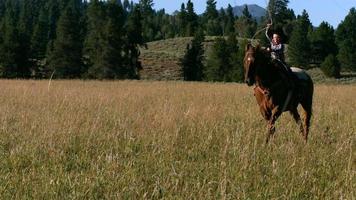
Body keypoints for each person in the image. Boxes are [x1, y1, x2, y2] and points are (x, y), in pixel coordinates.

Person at [265, 23, 295, 91]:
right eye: (274, 37)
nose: (276, 39)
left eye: (277, 37)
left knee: (287, 71)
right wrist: (268, 28)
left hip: (280, 62)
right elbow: (267, 34)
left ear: (280, 38)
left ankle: (290, 84)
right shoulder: (271, 43)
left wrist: (270, 49)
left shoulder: (281, 45)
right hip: (271, 62)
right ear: (272, 38)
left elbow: (278, 49)